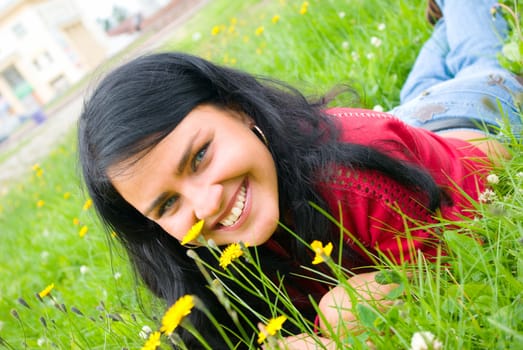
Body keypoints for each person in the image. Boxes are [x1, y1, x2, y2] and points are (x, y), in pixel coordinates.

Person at [77, 0, 522, 348]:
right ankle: (444, 24)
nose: (205, 204)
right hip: (411, 117)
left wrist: (332, 327)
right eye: (168, 204)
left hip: (473, 115)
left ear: (238, 108)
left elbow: (463, 273)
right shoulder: (218, 247)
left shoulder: (357, 179)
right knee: (425, 80)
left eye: (199, 158)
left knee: (480, 57)